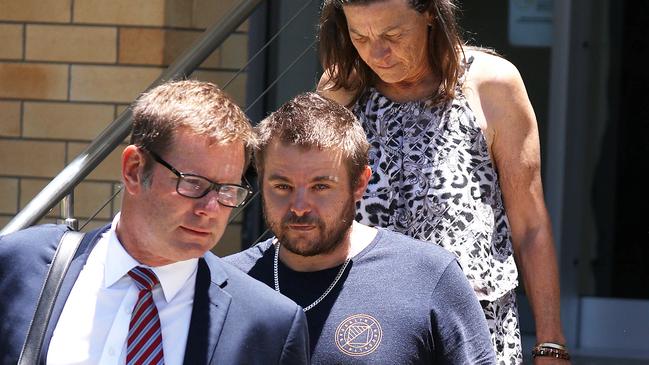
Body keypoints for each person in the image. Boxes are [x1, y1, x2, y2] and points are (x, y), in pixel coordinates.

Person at [316, 0, 569, 363]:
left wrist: (551, 344)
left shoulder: (492, 84)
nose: (377, 53)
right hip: (367, 329)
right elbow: (312, 201)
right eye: (360, 37)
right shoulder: (343, 90)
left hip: (471, 329)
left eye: (393, 34)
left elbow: (529, 223)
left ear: (430, 14)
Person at [0, 80, 309, 364]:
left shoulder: (266, 325)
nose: (211, 208)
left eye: (227, 190)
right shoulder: (19, 265)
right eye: (193, 183)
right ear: (134, 169)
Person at [225, 92, 495, 364]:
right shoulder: (224, 284)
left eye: (321, 187)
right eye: (282, 186)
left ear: (360, 184)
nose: (299, 206)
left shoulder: (429, 276)